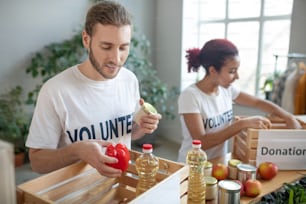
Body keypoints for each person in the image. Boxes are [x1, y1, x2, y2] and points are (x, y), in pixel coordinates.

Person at [26, 1, 161, 177]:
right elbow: (37, 162)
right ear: (86, 40)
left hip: (119, 188)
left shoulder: (129, 80)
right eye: (106, 47)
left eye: (123, 47)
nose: (116, 58)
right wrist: (77, 151)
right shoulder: (55, 90)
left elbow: (128, 135)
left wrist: (141, 128)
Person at [177, 38, 302, 162]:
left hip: (218, 162)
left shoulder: (227, 90)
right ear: (212, 70)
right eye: (232, 71)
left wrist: (288, 117)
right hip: (192, 167)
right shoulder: (190, 96)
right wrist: (242, 124)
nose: (237, 76)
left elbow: (258, 102)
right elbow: (202, 142)